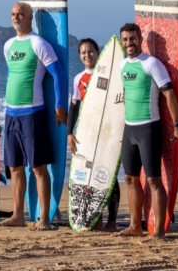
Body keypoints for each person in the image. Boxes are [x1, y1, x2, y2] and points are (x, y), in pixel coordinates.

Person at [0, 2, 67, 230]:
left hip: (33, 114)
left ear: (30, 18)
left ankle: (44, 218)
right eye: (13, 13)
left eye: (21, 14)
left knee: (38, 167)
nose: (16, 17)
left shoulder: (38, 43)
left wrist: (59, 106)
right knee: (15, 167)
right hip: (10, 114)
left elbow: (58, 75)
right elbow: (11, 76)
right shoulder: (8, 45)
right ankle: (18, 215)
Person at [116, 23, 178, 240]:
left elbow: (169, 95)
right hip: (130, 128)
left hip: (149, 128)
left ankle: (160, 231)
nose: (129, 43)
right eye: (125, 39)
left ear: (140, 38)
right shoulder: (123, 65)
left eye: (132, 38)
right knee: (130, 178)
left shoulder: (152, 63)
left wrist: (177, 124)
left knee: (153, 180)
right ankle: (135, 225)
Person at [67, 38, 120, 231]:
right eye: (83, 52)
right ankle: (93, 218)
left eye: (90, 51)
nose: (87, 55)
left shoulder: (112, 75)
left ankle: (112, 221)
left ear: (98, 52)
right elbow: (74, 108)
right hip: (87, 133)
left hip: (107, 132)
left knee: (108, 174)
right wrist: (69, 133)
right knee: (89, 175)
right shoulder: (78, 78)